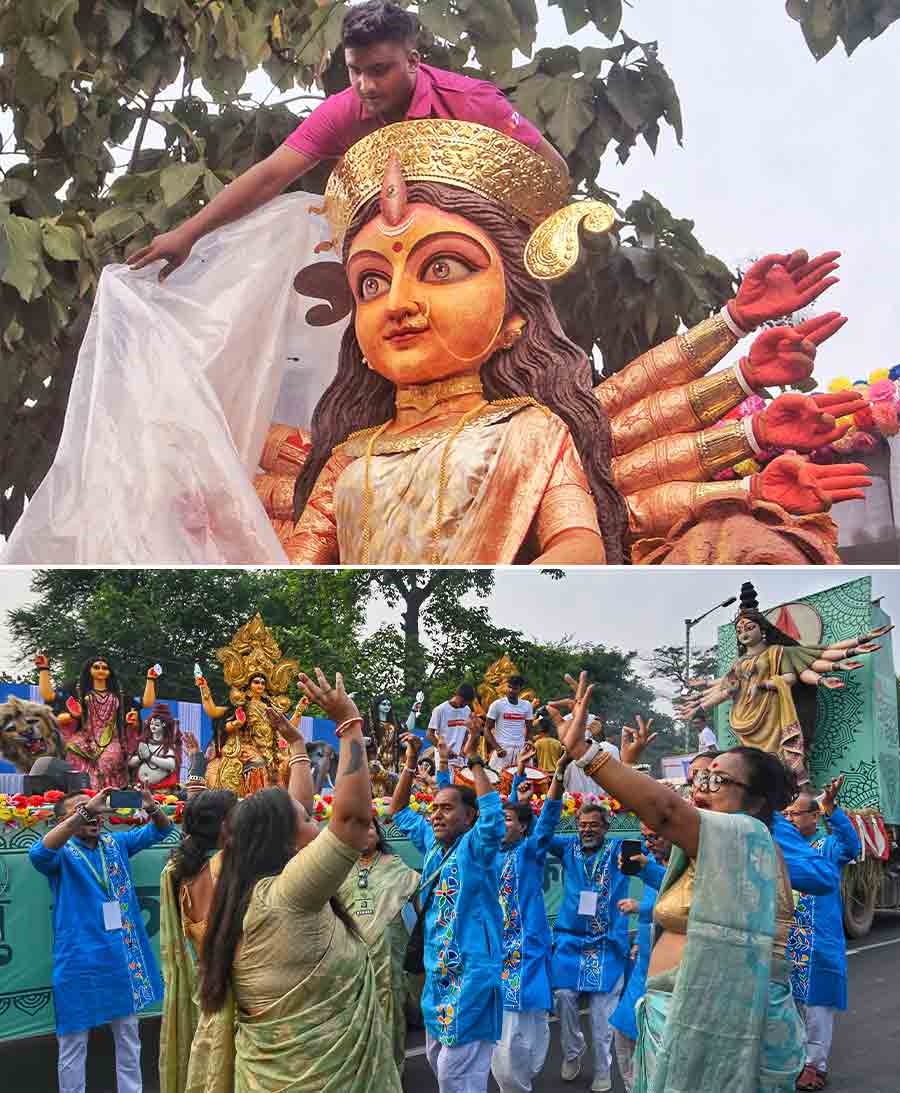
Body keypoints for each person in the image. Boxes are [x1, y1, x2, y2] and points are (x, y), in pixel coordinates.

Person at [128, 1, 566, 281]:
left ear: (413, 61)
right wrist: (188, 233)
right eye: (355, 70)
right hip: (387, 261)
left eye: (379, 70)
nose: (365, 85)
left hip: (478, 258)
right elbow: (270, 176)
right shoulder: (344, 110)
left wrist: (517, 256)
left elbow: (553, 174)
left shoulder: (472, 102)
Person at [555, 672, 807, 1093]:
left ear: (758, 801)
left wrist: (585, 752)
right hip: (672, 1018)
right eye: (700, 779)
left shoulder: (747, 837)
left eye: (718, 781)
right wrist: (628, 764)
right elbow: (654, 822)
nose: (702, 788)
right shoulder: (709, 851)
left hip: (714, 1027)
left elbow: (666, 812)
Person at [187, 669, 401, 1093]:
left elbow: (293, 806)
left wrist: (298, 746)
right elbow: (355, 821)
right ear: (281, 840)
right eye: (309, 820)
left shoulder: (240, 880)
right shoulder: (288, 896)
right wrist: (350, 723)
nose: (317, 821)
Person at [28, 783, 174, 1093]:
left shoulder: (116, 843)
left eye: (96, 806)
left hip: (122, 959)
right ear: (64, 821)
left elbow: (163, 830)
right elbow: (38, 853)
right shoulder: (61, 854)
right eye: (83, 809)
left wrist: (150, 805)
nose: (93, 812)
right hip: (79, 963)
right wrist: (83, 812)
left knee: (129, 1039)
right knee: (72, 1044)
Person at [389, 720, 505, 1093]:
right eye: (434, 809)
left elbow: (493, 819)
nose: (436, 815)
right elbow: (397, 810)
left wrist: (473, 762)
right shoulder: (433, 845)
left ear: (468, 817)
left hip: (472, 976)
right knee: (440, 1067)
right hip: (437, 980)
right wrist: (409, 759)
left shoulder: (477, 848)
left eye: (447, 809)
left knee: (457, 1076)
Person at [547, 753, 630, 1093]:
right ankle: (572, 1051)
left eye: (594, 825)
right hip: (570, 942)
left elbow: (650, 858)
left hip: (606, 944)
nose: (587, 830)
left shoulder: (621, 851)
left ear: (606, 827)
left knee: (600, 1015)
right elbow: (540, 836)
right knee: (564, 997)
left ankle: (603, 1068)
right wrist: (555, 779)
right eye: (582, 826)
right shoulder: (568, 848)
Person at [784, 779, 861, 1092]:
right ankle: (792, 1062)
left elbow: (851, 847)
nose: (788, 819)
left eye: (795, 814)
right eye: (785, 814)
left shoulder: (826, 846)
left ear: (814, 816)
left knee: (817, 1010)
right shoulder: (783, 846)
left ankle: (815, 1065)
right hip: (786, 943)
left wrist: (834, 811)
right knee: (788, 1007)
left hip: (818, 943)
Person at [159, 789, 238, 1093]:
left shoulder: (182, 871)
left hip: (209, 987)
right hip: (237, 990)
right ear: (224, 826)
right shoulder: (225, 871)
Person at [490, 770, 564, 1093]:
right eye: (498, 819)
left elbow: (546, 822)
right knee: (507, 1034)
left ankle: (519, 1082)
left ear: (522, 827)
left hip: (526, 952)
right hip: (494, 954)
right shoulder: (487, 855)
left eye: (508, 819)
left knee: (527, 1025)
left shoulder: (528, 852)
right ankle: (515, 1084)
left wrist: (557, 779)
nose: (500, 824)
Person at [338, 816, 420, 1069]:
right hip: (348, 960)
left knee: (391, 1015)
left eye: (370, 827)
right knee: (352, 1019)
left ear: (378, 833)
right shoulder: (337, 869)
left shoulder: (395, 866)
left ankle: (392, 1073)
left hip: (389, 959)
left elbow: (423, 907)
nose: (365, 832)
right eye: (358, 828)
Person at [609, 827, 671, 1093]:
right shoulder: (653, 863)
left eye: (656, 836)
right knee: (623, 1033)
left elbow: (682, 904)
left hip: (670, 971)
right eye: (646, 838)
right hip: (644, 962)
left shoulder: (691, 865)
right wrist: (637, 941)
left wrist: (640, 907)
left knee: (661, 1046)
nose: (649, 843)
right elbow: (650, 916)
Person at [485, 676, 534, 772]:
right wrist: (497, 748)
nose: (511, 690)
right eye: (509, 687)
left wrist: (528, 743)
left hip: (521, 750)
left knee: (522, 782)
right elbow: (486, 729)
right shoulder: (497, 705)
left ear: (520, 689)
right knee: (499, 782)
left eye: (515, 688)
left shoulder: (527, 705)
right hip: (503, 750)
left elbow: (530, 728)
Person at [426, 683, 475, 768]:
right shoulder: (440, 710)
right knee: (445, 781)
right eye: (463, 702)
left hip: (460, 758)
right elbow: (429, 735)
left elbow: (466, 732)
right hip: (443, 758)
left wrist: (463, 747)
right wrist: (444, 750)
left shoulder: (467, 710)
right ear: (458, 695)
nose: (465, 705)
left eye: (467, 703)